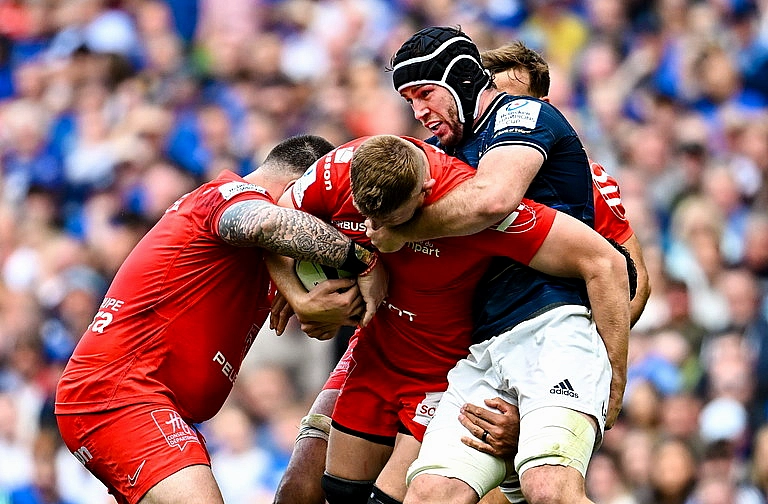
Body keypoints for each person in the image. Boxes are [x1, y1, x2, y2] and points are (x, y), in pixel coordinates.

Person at [270, 134, 629, 504]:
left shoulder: (488, 202)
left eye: (389, 223)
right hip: (374, 348)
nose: (373, 232)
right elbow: (272, 224)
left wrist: (606, 383)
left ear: (424, 193)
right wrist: (301, 294)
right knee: (312, 490)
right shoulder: (341, 169)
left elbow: (610, 266)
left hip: (449, 368)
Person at [364, 27, 630, 504]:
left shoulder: (523, 114)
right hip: (485, 345)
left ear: (462, 79)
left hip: (557, 326)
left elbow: (493, 198)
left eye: (425, 93)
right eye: (408, 100)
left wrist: (613, 375)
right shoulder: (443, 154)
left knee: (549, 489)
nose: (419, 111)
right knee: (428, 494)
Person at [54, 134, 386, 504]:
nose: (330, 225)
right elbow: (265, 225)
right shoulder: (226, 195)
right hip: (123, 396)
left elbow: (314, 313)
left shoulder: (266, 261)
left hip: (153, 404)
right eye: (324, 212)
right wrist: (363, 260)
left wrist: (312, 304)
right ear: (299, 189)